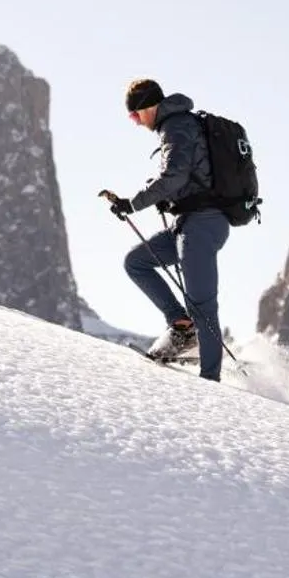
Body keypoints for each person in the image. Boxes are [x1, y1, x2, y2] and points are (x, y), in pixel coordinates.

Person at [101, 78, 230, 381]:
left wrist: (133, 204)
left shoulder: (176, 126)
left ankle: (210, 379)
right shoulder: (178, 125)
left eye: (135, 116)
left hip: (203, 224)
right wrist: (167, 198)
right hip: (189, 222)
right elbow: (184, 176)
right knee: (137, 262)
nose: (136, 123)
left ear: (148, 107)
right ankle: (182, 328)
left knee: (202, 304)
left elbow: (174, 175)